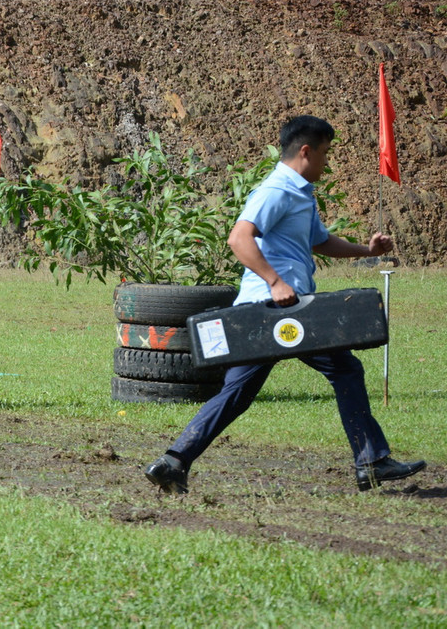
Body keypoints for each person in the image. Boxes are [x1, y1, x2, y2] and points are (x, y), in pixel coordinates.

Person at [144, 115, 426, 494]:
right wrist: (275, 282)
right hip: (277, 307)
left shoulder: (300, 194)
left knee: (238, 391)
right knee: (345, 369)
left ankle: (173, 462)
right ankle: (371, 462)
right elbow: (239, 238)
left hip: (276, 307)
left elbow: (320, 241)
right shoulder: (276, 190)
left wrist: (367, 251)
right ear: (305, 151)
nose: (327, 163)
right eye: (325, 154)